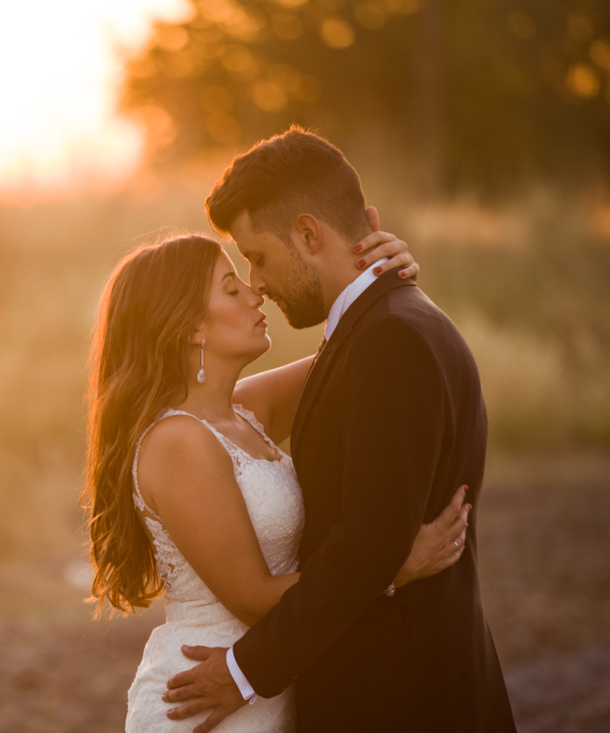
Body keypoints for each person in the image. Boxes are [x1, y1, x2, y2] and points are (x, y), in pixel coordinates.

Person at [160, 128, 516, 732]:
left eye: (260, 257)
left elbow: (368, 546)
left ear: (307, 233)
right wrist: (376, 276)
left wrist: (244, 672)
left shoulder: (391, 338)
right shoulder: (384, 326)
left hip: (401, 701)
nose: (258, 283)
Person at [84, 230, 470, 732]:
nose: (254, 292)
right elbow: (252, 595)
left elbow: (364, 348)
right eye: (230, 288)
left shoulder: (244, 412)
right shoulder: (178, 442)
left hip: (273, 682)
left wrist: (387, 282)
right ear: (189, 327)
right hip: (205, 696)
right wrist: (394, 568)